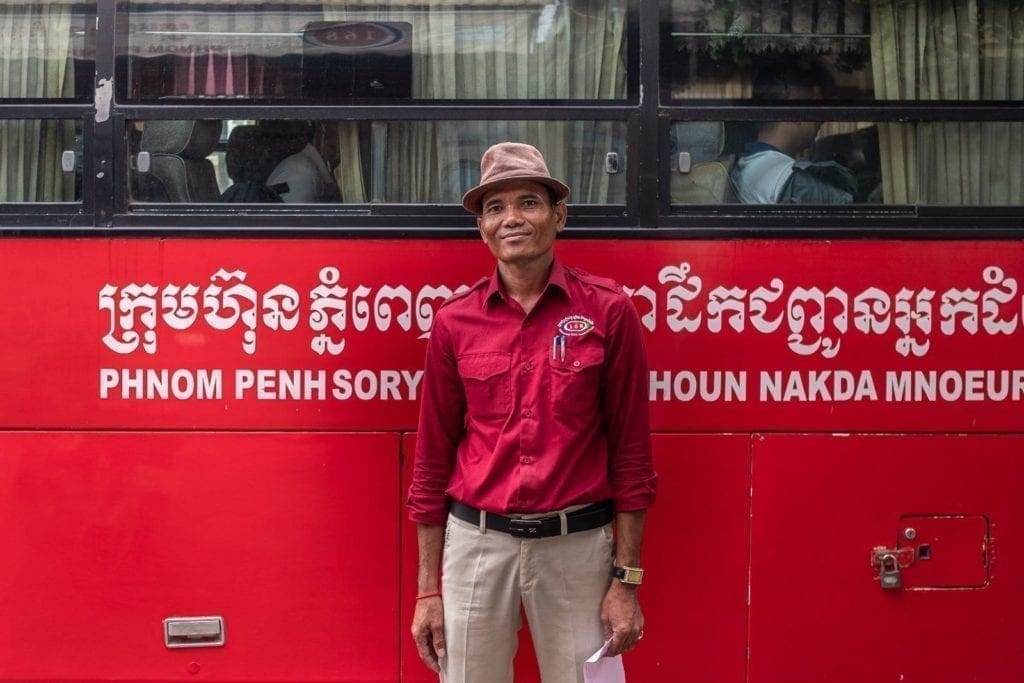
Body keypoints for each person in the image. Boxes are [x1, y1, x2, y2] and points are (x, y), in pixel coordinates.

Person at [408, 142, 658, 682]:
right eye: (494, 208)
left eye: (528, 202)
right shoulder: (455, 322)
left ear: (558, 216)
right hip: (476, 547)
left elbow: (633, 458)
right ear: (482, 227)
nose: (512, 219)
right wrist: (428, 589)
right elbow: (430, 462)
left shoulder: (608, 312)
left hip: (578, 549)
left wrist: (627, 581)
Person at [730, 60, 858, 204]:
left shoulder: (741, 165)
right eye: (817, 105)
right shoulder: (794, 181)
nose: (822, 119)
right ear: (797, 110)